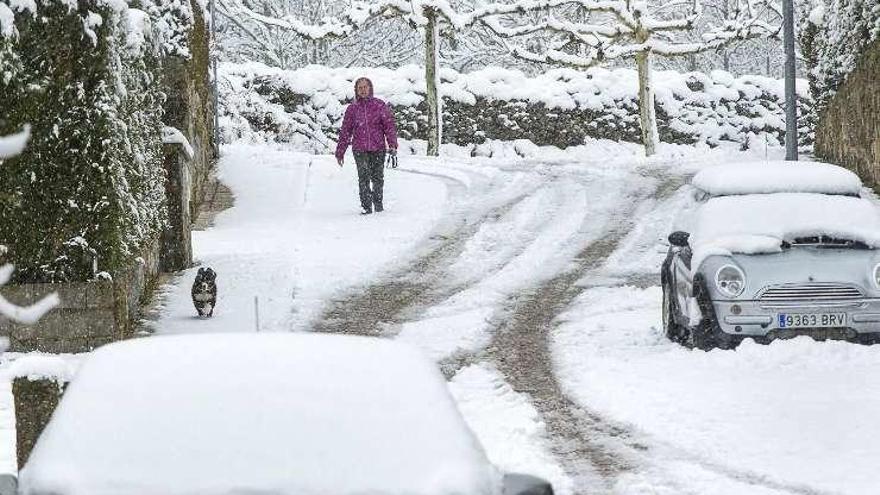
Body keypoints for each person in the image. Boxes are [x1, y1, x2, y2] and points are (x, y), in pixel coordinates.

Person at [335, 77, 399, 215]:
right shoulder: (352, 109)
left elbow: (389, 126)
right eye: (360, 88)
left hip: (378, 148)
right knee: (363, 178)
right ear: (356, 90)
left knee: (378, 178)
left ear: (370, 88)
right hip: (360, 149)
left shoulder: (379, 105)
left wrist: (392, 144)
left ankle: (378, 205)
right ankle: (366, 207)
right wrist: (340, 152)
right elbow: (345, 131)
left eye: (365, 87)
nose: (363, 90)